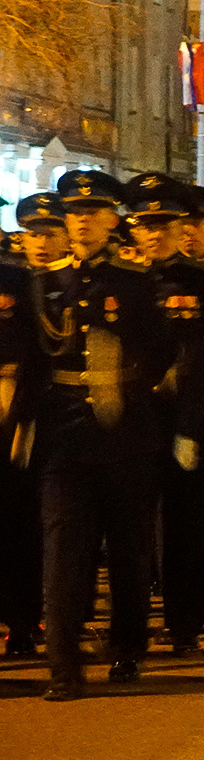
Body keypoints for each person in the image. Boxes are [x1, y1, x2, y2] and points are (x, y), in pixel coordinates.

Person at [31, 171, 175, 700]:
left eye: (93, 213)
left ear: (113, 221)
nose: (81, 221)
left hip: (128, 432)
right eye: (73, 213)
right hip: (66, 434)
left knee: (129, 551)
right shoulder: (45, 283)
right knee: (63, 552)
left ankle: (128, 648)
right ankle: (64, 667)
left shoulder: (136, 283)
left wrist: (132, 388)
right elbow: (31, 360)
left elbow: (162, 350)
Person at [124, 173, 204, 655]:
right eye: (146, 225)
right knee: (131, 526)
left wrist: (192, 421)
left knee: (184, 523)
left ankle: (185, 622)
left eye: (165, 223)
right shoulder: (122, 281)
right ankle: (133, 625)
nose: (156, 233)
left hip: (185, 414)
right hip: (129, 417)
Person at [0, 194, 58, 660]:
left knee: (21, 521)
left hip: (15, 409)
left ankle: (23, 619)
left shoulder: (19, 281)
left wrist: (21, 415)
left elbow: (35, 355)